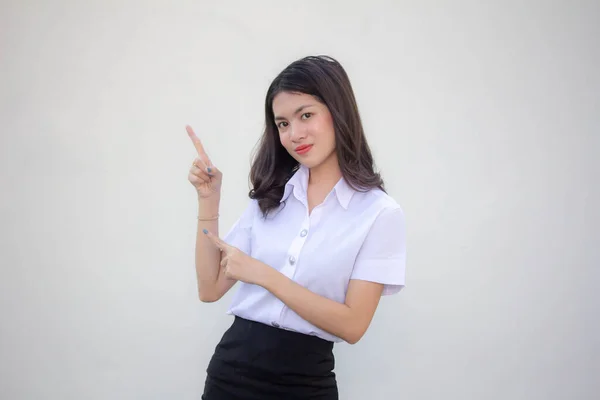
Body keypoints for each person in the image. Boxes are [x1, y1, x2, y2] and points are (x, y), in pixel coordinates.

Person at [187, 55, 406, 399]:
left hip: (305, 385)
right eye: (283, 123)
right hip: (231, 376)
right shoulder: (272, 197)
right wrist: (208, 200)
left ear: (338, 112)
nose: (294, 134)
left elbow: (353, 325)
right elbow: (210, 288)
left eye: (306, 115)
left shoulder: (379, 213)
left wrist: (263, 274)